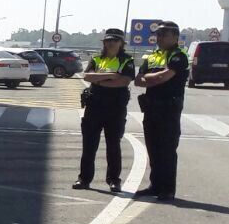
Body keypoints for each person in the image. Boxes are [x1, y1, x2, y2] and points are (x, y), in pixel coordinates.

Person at [73, 29, 134, 192]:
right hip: (94, 106)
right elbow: (87, 76)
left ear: (121, 44)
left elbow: (124, 81)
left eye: (115, 41)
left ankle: (114, 180)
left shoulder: (127, 60)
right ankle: (84, 179)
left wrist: (99, 79)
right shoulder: (96, 59)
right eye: (108, 41)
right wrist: (110, 75)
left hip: (115, 108)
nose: (111, 43)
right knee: (89, 145)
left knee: (113, 145)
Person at [134, 21, 189, 202]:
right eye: (158, 35)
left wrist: (150, 78)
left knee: (167, 149)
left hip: (168, 108)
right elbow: (138, 80)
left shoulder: (178, 56)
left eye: (163, 35)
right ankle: (155, 185)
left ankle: (167, 189)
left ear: (175, 37)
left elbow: (163, 77)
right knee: (153, 148)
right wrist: (152, 78)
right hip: (151, 107)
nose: (159, 38)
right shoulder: (152, 57)